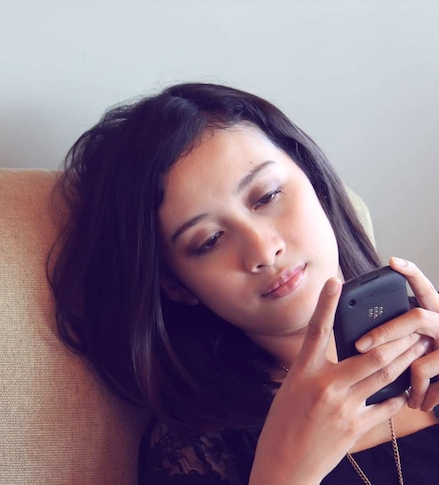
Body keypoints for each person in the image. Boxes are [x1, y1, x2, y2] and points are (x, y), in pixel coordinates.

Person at [47, 83, 439, 484]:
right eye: (210, 241)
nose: (263, 250)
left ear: (314, 180)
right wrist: (284, 473)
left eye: (267, 196)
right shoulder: (197, 450)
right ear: (177, 286)